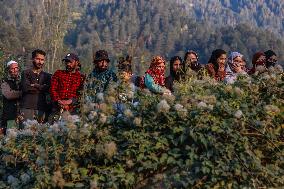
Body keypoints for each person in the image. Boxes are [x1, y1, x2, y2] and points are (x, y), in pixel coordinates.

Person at [20, 49, 51, 123]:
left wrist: (36, 85)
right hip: (27, 107)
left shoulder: (47, 76)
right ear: (33, 59)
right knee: (25, 132)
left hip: (42, 108)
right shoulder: (25, 73)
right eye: (38, 59)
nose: (40, 62)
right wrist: (42, 87)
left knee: (40, 133)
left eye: (42, 60)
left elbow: (49, 89)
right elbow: (26, 88)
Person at [0, 61, 22, 135]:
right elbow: (8, 95)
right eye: (12, 68)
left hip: (21, 115)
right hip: (10, 115)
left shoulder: (21, 80)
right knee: (10, 137)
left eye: (16, 68)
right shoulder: (4, 82)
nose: (15, 70)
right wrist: (22, 93)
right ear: (8, 70)